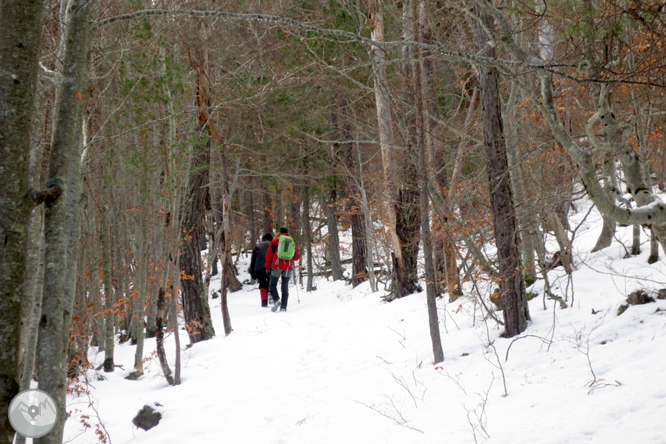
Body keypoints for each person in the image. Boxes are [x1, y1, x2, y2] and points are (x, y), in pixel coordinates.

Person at [265, 227, 300, 312]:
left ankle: (277, 300)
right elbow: (296, 257)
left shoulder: (275, 240)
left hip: (276, 266)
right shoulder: (292, 241)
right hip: (288, 267)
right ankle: (283, 307)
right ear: (288, 233)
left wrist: (267, 266)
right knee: (285, 287)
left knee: (272, 285)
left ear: (279, 232)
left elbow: (269, 254)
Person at [249, 233, 273, 307]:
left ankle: (264, 302)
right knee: (270, 282)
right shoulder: (272, 245)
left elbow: (253, 260)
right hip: (270, 267)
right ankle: (272, 297)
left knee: (262, 283)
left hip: (259, 268)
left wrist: (252, 272)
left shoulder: (258, 246)